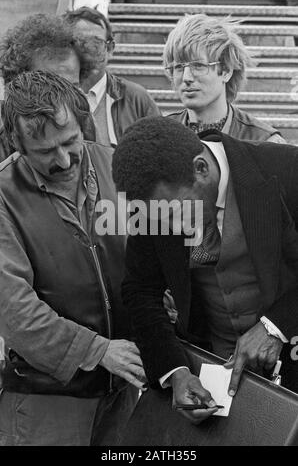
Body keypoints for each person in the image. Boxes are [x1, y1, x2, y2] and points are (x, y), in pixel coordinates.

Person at [112, 116, 298, 425]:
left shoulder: (287, 168)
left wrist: (274, 326)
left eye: (177, 210)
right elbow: (140, 290)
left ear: (201, 167)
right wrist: (176, 373)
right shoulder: (152, 202)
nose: (171, 227)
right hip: (216, 379)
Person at [0, 71, 146, 446]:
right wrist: (96, 350)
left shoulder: (120, 166)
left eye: (70, 142)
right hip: (47, 400)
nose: (64, 160)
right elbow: (13, 309)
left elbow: (151, 260)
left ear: (83, 123)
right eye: (45, 152)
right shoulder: (3, 196)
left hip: (125, 389)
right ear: (15, 143)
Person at [163, 14, 285, 143]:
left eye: (198, 66)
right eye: (179, 67)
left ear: (226, 70)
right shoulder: (161, 136)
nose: (186, 77)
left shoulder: (265, 143)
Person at [63, 6, 160, 147]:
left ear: (110, 48)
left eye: (96, 43)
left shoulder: (135, 99)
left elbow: (161, 151)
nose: (87, 51)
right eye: (80, 42)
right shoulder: (54, 97)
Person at [0, 13, 85, 162]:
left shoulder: (90, 134)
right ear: (17, 87)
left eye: (74, 88)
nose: (66, 102)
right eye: (51, 91)